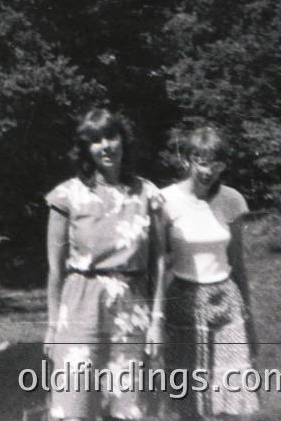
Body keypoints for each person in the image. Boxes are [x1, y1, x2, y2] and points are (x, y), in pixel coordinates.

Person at [44, 108, 164, 421]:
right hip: (81, 305)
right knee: (75, 404)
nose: (106, 145)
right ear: (86, 148)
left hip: (132, 308)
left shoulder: (147, 193)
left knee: (128, 407)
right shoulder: (67, 195)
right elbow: (56, 270)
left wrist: (157, 320)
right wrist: (53, 325)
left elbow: (160, 262)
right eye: (95, 140)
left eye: (111, 136)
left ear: (124, 140)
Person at [157, 123, 260, 418]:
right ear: (188, 160)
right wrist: (156, 315)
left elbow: (238, 264)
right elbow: (160, 262)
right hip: (183, 300)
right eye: (201, 161)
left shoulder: (232, 200)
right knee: (189, 394)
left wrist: (249, 318)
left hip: (225, 300)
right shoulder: (166, 201)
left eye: (216, 162)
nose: (208, 170)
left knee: (229, 390)